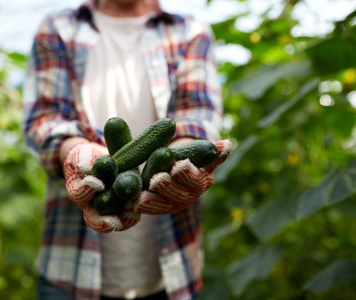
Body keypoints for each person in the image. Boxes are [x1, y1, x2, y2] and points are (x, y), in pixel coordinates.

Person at [22, 0, 231, 299]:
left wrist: (179, 159)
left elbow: (196, 116)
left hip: (174, 270)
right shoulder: (58, 29)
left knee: (160, 156)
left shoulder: (190, 32)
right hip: (68, 270)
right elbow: (45, 119)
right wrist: (75, 153)